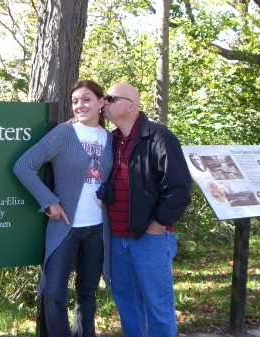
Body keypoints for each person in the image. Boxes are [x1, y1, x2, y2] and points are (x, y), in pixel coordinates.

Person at [13, 80, 113, 337]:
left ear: (102, 102)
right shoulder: (64, 134)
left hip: (98, 229)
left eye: (87, 99)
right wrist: (49, 201)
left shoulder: (110, 139)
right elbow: (23, 166)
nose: (80, 105)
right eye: (76, 101)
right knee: (54, 293)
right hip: (65, 228)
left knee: (87, 294)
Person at [102, 83, 192, 337]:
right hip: (117, 241)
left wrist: (158, 225)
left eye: (110, 97)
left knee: (158, 307)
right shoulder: (110, 140)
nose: (104, 102)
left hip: (149, 239)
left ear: (131, 105)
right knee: (127, 305)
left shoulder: (158, 137)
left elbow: (179, 188)